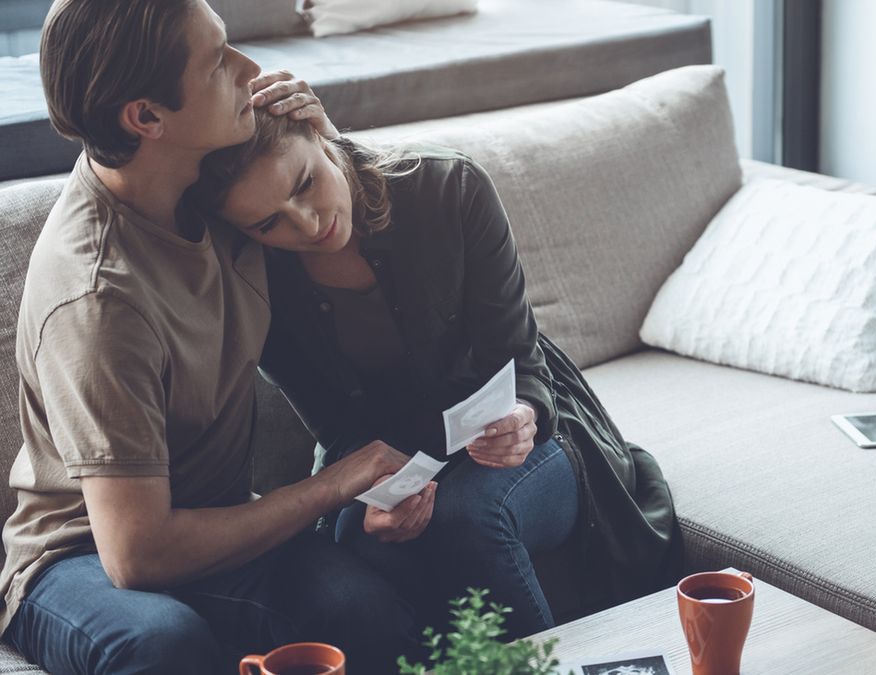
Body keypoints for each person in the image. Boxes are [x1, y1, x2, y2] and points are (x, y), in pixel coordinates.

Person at [1, 1, 425, 672]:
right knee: (164, 641)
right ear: (147, 117)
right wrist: (335, 483)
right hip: (79, 555)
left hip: (217, 519)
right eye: (217, 61)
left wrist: (325, 142)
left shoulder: (218, 186)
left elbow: (371, 234)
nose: (248, 68)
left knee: (363, 607)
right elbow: (137, 555)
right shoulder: (99, 295)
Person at [188, 108, 683, 638]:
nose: (307, 223)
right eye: (269, 223)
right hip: (392, 453)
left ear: (319, 134)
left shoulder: (447, 187)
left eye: (306, 183)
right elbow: (336, 429)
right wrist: (375, 499)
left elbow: (523, 366)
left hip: (531, 431)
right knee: (361, 544)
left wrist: (523, 416)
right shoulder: (257, 281)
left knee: (469, 517)